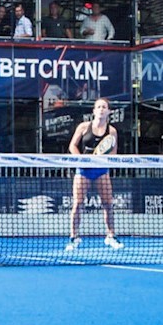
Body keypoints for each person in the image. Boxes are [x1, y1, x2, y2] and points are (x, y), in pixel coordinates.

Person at [65, 98, 123, 251]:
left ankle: (110, 236)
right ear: (94, 111)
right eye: (98, 107)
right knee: (78, 204)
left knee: (108, 204)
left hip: (101, 171)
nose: (101, 109)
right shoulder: (84, 127)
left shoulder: (112, 131)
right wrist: (82, 159)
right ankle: (73, 237)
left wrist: (103, 159)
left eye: (104, 107)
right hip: (83, 170)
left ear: (109, 111)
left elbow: (114, 151)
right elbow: (72, 146)